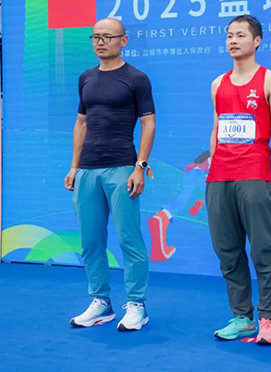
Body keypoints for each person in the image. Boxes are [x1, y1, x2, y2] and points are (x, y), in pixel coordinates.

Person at [64, 18, 155, 332]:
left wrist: (140, 165)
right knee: (90, 241)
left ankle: (137, 305)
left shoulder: (136, 78)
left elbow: (148, 123)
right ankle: (101, 302)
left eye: (107, 36)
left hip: (122, 168)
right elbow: (81, 123)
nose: (100, 42)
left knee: (129, 239)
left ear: (123, 40)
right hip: (87, 170)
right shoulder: (86, 78)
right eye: (95, 37)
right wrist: (74, 166)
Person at [206, 15, 271, 345]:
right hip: (219, 178)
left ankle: (267, 318)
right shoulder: (217, 83)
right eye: (229, 35)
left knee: (264, 250)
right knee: (227, 250)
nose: (233, 41)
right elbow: (216, 128)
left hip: (255, 176)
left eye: (240, 35)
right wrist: (212, 168)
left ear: (257, 41)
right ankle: (242, 316)